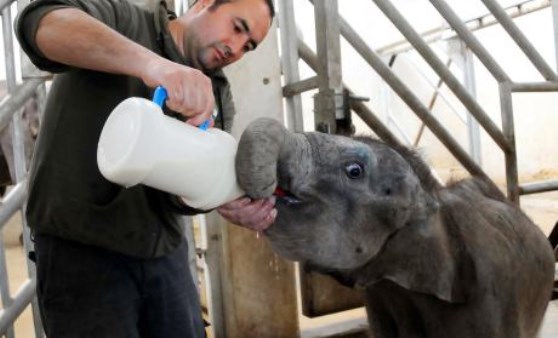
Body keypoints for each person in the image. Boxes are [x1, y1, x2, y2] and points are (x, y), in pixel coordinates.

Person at [15, 0, 276, 336]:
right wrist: (151, 65)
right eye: (237, 28)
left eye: (248, 46)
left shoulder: (217, 96)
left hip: (164, 256)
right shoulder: (125, 21)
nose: (236, 48)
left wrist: (225, 198)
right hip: (81, 252)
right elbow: (40, 24)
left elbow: (181, 198)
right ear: (205, 3)